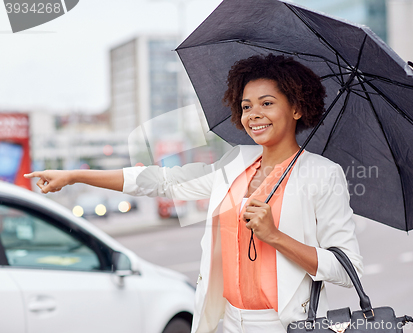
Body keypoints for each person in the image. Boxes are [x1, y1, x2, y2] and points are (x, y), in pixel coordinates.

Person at [25, 54, 363, 333]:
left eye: (267, 103)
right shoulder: (236, 163)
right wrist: (75, 176)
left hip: (284, 325)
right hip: (226, 321)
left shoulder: (323, 174)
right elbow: (162, 181)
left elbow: (350, 270)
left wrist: (275, 236)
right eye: (246, 106)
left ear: (297, 108)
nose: (253, 114)